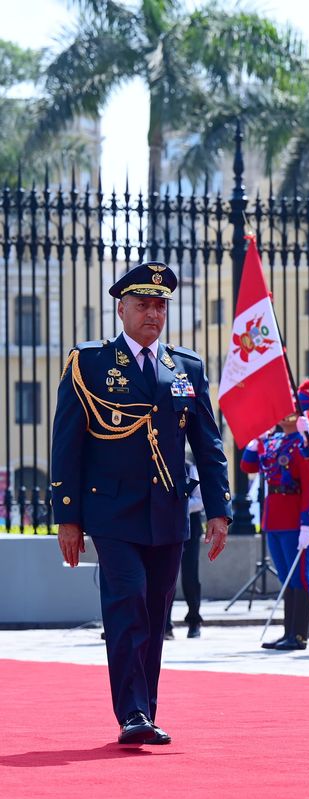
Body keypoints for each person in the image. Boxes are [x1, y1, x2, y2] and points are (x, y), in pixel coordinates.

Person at [51, 261, 232, 746]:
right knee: (127, 601)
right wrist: (67, 518)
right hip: (110, 512)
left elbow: (208, 444)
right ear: (121, 308)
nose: (153, 314)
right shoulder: (89, 363)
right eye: (143, 304)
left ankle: (144, 711)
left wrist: (219, 510)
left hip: (168, 513)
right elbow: (67, 443)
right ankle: (131, 712)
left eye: (160, 305)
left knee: (154, 611)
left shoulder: (185, 367)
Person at [241, 380, 309, 651]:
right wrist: (256, 441)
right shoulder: (275, 441)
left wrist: (307, 521)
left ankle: (299, 635)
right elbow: (247, 466)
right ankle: (288, 632)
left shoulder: (304, 445)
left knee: (299, 575)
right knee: (286, 575)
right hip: (274, 516)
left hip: (294, 517)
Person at [165, 454, 204, 640]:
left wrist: (177, 506)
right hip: (164, 527)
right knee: (165, 578)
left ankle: (194, 620)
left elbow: (200, 501)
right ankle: (165, 624)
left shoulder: (189, 468)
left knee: (190, 575)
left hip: (189, 528)